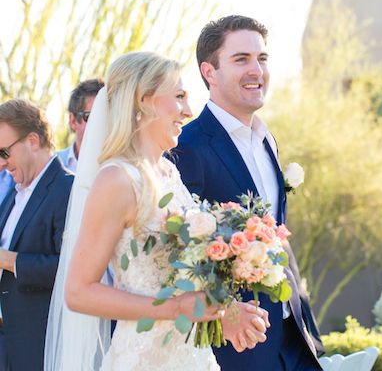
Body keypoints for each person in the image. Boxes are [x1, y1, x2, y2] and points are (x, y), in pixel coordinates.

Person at [45, 52, 269, 371]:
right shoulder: (117, 179)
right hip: (142, 358)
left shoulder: (168, 173)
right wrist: (175, 308)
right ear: (145, 100)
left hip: (192, 355)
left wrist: (225, 310)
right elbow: (79, 293)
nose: (189, 111)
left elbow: (178, 274)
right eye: (179, 97)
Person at [173, 15, 324, 371]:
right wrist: (222, 313)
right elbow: (176, 256)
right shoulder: (187, 147)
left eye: (262, 59)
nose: (256, 70)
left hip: (294, 337)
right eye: (241, 59)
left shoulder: (268, 140)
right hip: (238, 347)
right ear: (209, 72)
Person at [0, 99, 73, 370]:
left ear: (32, 140)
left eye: (4, 152)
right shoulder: (13, 195)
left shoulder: (68, 188)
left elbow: (69, 268)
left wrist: (8, 260)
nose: (2, 163)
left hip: (40, 346)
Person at [57, 79, 105, 172]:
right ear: (73, 121)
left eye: (104, 116)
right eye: (90, 116)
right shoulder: (53, 165)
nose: (100, 123)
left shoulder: (116, 170)